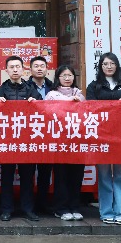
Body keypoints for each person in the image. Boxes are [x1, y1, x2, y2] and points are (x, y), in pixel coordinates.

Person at [87, 52, 121, 225]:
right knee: (104, 176)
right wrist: (117, 101)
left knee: (120, 176)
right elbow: (90, 109)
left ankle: (119, 212)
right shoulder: (94, 86)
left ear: (117, 66)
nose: (109, 67)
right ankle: (106, 212)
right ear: (100, 66)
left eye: (112, 63)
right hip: (102, 136)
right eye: (105, 64)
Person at [0, 55, 42, 222]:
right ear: (6, 70)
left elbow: (43, 112)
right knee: (6, 176)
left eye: (17, 67)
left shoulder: (32, 90)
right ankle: (6, 209)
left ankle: (28, 209)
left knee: (28, 177)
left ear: (23, 69)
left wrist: (36, 103)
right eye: (11, 67)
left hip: (27, 141)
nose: (14, 70)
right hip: (7, 141)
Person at [45, 65, 86, 221]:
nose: (67, 78)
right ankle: (61, 208)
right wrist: (69, 102)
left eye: (70, 75)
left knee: (76, 175)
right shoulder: (51, 95)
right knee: (61, 175)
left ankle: (75, 207)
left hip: (77, 141)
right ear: (58, 78)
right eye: (64, 76)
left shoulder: (79, 94)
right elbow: (48, 113)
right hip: (59, 141)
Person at [26, 56, 54, 214]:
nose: (39, 68)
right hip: (29, 133)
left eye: (42, 66)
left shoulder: (53, 87)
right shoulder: (25, 86)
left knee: (45, 171)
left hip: (49, 133)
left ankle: (43, 203)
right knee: (29, 172)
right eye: (35, 66)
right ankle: (29, 205)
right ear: (30, 69)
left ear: (47, 69)